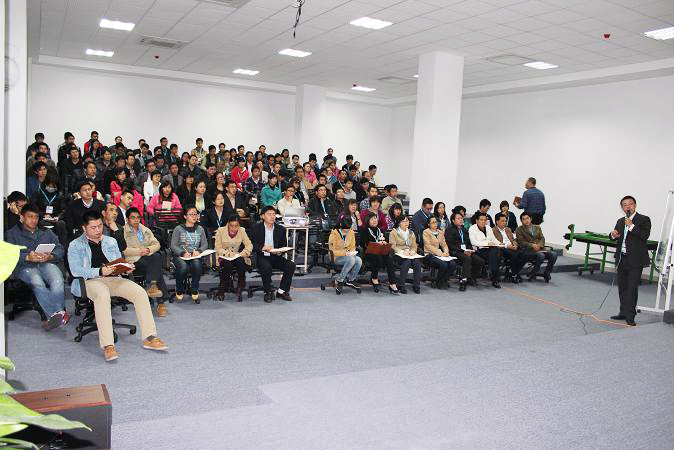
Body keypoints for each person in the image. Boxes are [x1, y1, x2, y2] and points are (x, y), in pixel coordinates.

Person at [67, 210, 168, 362]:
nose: (98, 230)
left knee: (140, 292)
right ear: (84, 228)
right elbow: (75, 270)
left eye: (100, 226)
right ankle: (108, 345)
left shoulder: (110, 241)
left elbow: (117, 261)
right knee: (102, 295)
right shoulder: (75, 245)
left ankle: (149, 337)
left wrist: (126, 267)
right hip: (90, 281)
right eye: (93, 227)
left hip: (113, 278)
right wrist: (99, 271)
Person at [6, 203, 68, 330]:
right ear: (22, 217)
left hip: (46, 263)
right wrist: (27, 257)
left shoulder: (46, 232)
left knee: (57, 279)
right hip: (24, 267)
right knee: (36, 280)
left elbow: (60, 248)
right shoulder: (12, 234)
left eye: (36, 217)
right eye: (30, 217)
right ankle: (56, 313)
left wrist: (50, 256)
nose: (34, 220)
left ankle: (56, 316)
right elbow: (8, 253)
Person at [607, 196, 650, 326]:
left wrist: (631, 226)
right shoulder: (620, 221)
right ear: (622, 208)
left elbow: (644, 236)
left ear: (635, 205)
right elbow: (614, 237)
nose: (627, 207)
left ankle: (630, 316)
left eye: (630, 204)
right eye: (624, 205)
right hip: (622, 258)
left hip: (635, 260)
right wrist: (613, 234)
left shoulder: (644, 219)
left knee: (631, 288)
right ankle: (623, 312)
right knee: (622, 287)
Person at [122, 208, 168, 317]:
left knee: (156, 256)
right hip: (133, 260)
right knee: (156, 265)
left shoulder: (145, 230)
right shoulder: (123, 231)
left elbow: (157, 244)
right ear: (127, 219)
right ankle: (160, 300)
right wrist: (139, 251)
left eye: (138, 217)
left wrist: (148, 249)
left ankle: (153, 286)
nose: (136, 220)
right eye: (133, 217)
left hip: (147, 256)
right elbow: (123, 250)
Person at [250, 205, 296, 302]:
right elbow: (250, 244)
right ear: (263, 216)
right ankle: (268, 292)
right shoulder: (256, 228)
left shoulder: (281, 229)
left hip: (275, 256)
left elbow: (283, 245)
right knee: (266, 266)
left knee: (291, 265)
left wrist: (280, 252)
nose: (272, 217)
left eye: (274, 214)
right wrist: (262, 247)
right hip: (261, 256)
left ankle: (282, 291)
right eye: (269, 214)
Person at [170, 205, 209, 303]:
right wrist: (182, 253)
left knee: (197, 265)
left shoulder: (200, 229)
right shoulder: (178, 229)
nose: (194, 216)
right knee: (183, 267)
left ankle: (194, 288)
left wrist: (199, 250)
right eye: (191, 214)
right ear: (185, 216)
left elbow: (205, 244)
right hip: (181, 255)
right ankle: (179, 287)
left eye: (195, 214)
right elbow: (173, 245)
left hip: (195, 254)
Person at [215, 215, 253, 300]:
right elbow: (218, 248)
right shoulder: (221, 231)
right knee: (227, 265)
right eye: (231, 225)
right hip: (223, 255)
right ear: (228, 224)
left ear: (239, 225)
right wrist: (227, 253)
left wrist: (244, 253)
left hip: (236, 255)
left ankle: (240, 285)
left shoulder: (242, 230)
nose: (234, 228)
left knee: (241, 262)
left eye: (236, 226)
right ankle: (222, 288)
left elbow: (249, 245)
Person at [361, 212, 399, 294]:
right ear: (368, 221)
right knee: (378, 258)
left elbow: (382, 239)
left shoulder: (379, 230)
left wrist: (384, 243)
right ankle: (374, 278)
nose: (374, 220)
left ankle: (392, 283)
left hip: (380, 251)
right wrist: (376, 244)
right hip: (369, 252)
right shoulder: (365, 230)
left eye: (375, 218)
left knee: (389, 259)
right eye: (372, 219)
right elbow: (363, 244)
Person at [445, 212, 484, 291]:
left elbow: (468, 243)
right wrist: (463, 251)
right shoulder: (449, 230)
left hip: (466, 251)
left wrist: (471, 250)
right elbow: (450, 244)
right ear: (453, 220)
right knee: (467, 259)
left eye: (461, 218)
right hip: (455, 251)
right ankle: (463, 280)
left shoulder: (464, 230)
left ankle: (471, 277)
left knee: (480, 261)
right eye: (458, 218)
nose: (460, 220)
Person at [515, 212, 557, 283]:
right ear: (521, 221)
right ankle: (533, 272)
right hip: (528, 250)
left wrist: (539, 245)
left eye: (527, 218)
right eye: (524, 219)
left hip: (539, 249)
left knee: (554, 254)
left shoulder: (537, 227)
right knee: (541, 255)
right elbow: (521, 242)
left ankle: (547, 272)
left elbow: (542, 238)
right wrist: (532, 245)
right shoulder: (519, 229)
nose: (526, 220)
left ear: (531, 219)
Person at [327, 216, 362, 294]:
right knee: (351, 259)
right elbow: (333, 250)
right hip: (336, 257)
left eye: (348, 229)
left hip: (348, 255)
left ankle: (351, 279)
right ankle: (340, 280)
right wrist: (345, 253)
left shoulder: (351, 232)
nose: (347, 231)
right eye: (345, 229)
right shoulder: (334, 234)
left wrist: (352, 252)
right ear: (340, 225)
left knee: (359, 260)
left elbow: (352, 246)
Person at [469, 212, 503, 288]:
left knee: (497, 251)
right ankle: (494, 277)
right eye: (481, 220)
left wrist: (500, 243)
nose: (483, 221)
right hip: (479, 250)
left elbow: (494, 239)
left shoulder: (488, 228)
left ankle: (492, 272)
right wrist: (487, 243)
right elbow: (474, 242)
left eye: (485, 220)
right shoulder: (472, 229)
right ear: (477, 221)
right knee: (496, 254)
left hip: (489, 250)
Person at [31, 174, 68, 245]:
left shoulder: (60, 195)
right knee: (41, 224)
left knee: (61, 224)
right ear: (45, 184)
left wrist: (58, 217)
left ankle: (61, 245)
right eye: (49, 186)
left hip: (55, 218)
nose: (51, 188)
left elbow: (64, 209)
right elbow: (33, 207)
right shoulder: (38, 193)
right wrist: (43, 215)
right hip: (41, 217)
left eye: (53, 186)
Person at [423, 216, 457, 289]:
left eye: (436, 222)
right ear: (428, 224)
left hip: (440, 255)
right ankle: (438, 281)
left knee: (453, 264)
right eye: (433, 222)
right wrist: (440, 254)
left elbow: (444, 244)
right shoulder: (426, 232)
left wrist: (446, 252)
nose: (435, 224)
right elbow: (428, 246)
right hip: (430, 254)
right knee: (443, 264)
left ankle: (444, 280)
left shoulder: (440, 232)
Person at [390, 216, 422, 294]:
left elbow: (414, 245)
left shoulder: (411, 233)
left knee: (417, 262)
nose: (406, 223)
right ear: (399, 223)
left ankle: (416, 285)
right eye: (403, 221)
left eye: (407, 221)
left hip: (410, 253)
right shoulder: (394, 232)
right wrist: (402, 252)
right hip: (398, 254)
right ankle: (401, 285)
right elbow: (393, 246)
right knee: (406, 262)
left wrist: (413, 251)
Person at [493, 214, 524, 284]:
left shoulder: (508, 229)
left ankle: (515, 272)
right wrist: (507, 246)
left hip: (512, 247)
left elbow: (513, 239)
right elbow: (497, 243)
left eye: (505, 221)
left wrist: (515, 244)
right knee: (514, 255)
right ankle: (514, 275)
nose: (504, 223)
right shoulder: (493, 230)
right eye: (502, 221)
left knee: (523, 254)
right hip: (502, 248)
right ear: (497, 222)